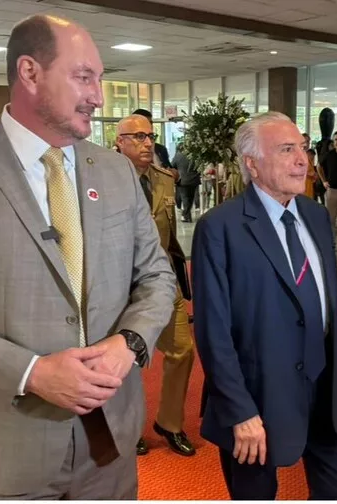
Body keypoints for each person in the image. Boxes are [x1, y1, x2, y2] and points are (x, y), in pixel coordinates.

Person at [0, 14, 176, 499]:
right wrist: (32, 372)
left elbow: (157, 276)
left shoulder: (115, 171)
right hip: (5, 449)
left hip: (112, 445)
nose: (98, 96)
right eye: (84, 76)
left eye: (100, 79)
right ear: (30, 72)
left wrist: (130, 343)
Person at [191, 112, 337, 500]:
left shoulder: (316, 216)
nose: (303, 160)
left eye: (302, 148)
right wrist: (239, 411)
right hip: (258, 399)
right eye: (287, 150)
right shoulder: (220, 227)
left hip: (325, 388)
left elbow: (329, 301)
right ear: (252, 163)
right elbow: (213, 331)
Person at [115, 115, 196, 457]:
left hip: (162, 283)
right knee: (125, 364)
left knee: (183, 350)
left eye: (150, 136)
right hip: (119, 289)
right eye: (138, 136)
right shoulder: (102, 181)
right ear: (119, 141)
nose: (148, 143)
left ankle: (170, 422)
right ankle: (127, 428)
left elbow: (168, 235)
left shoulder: (164, 180)